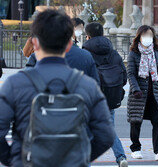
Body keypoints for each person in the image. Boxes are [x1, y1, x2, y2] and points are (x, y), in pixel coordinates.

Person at [0, 9, 115, 166]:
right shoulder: (87, 85)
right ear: (69, 44)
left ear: (35, 43)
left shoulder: (15, 84)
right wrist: (80, 158)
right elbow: (106, 135)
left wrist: (15, 159)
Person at [83, 22, 128, 167]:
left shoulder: (85, 53)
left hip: (91, 99)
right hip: (110, 97)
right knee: (109, 130)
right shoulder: (113, 52)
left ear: (87, 36)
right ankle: (121, 157)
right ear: (103, 34)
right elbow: (124, 76)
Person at [127, 25, 158, 160]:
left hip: (155, 92)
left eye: (150, 35)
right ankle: (135, 148)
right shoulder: (134, 53)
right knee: (136, 122)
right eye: (145, 35)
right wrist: (135, 89)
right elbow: (130, 73)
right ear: (139, 37)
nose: (147, 38)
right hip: (139, 94)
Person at [26, 20, 100, 86]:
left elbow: (26, 84)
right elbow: (95, 85)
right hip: (79, 99)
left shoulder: (36, 57)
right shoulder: (86, 56)